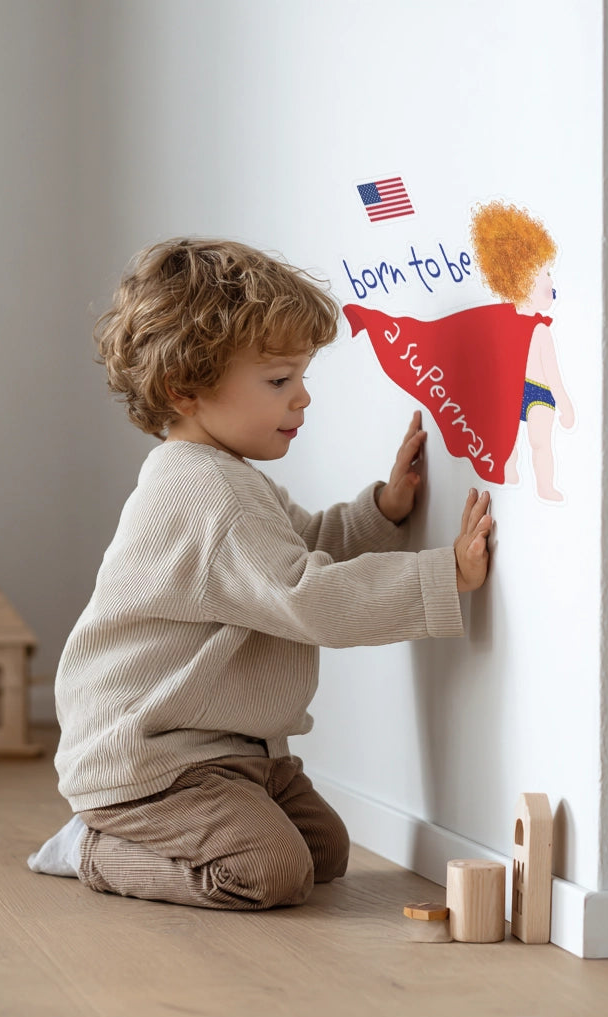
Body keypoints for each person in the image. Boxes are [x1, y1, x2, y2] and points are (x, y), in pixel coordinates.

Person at [28, 238, 493, 910]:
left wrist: (384, 513)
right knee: (271, 872)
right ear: (183, 390)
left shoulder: (227, 479)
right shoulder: (202, 493)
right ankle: (90, 849)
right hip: (153, 761)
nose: (302, 398)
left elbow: (302, 548)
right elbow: (307, 598)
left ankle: (160, 826)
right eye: (279, 381)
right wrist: (442, 575)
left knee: (324, 854)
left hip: (230, 752)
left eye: (301, 377)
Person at [469, 201, 576, 501]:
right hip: (514, 389)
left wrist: (564, 403)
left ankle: (544, 485)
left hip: (540, 391)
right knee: (508, 440)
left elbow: (553, 373)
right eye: (545, 273)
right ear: (521, 278)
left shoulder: (541, 330)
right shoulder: (508, 326)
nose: (551, 282)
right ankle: (510, 471)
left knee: (540, 443)